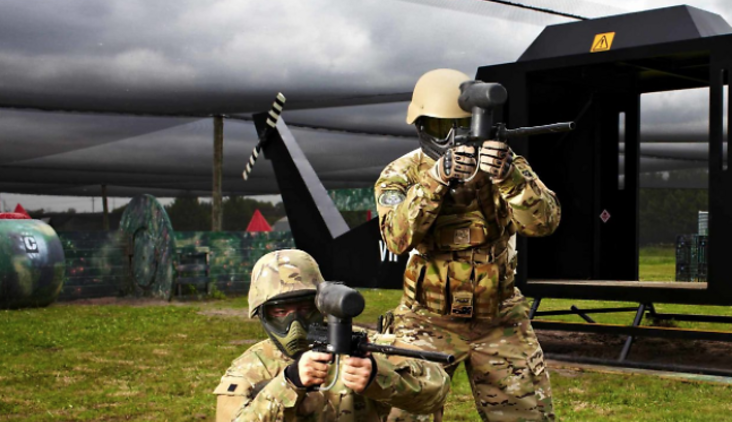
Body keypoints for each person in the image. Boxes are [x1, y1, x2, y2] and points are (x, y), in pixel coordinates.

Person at [375, 68, 561, 422]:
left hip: (499, 319)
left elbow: (545, 222)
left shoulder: (505, 166)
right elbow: (396, 238)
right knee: (403, 414)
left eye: (458, 128)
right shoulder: (402, 173)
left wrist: (509, 178)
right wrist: (436, 180)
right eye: (438, 129)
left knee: (527, 416)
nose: (450, 139)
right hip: (425, 323)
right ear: (420, 126)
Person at [213, 249, 451, 422]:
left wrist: (378, 377)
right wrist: (289, 382)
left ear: (322, 306)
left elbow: (437, 389)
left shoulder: (364, 347)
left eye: (305, 309)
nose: (295, 323)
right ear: (264, 315)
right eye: (281, 312)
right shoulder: (251, 368)